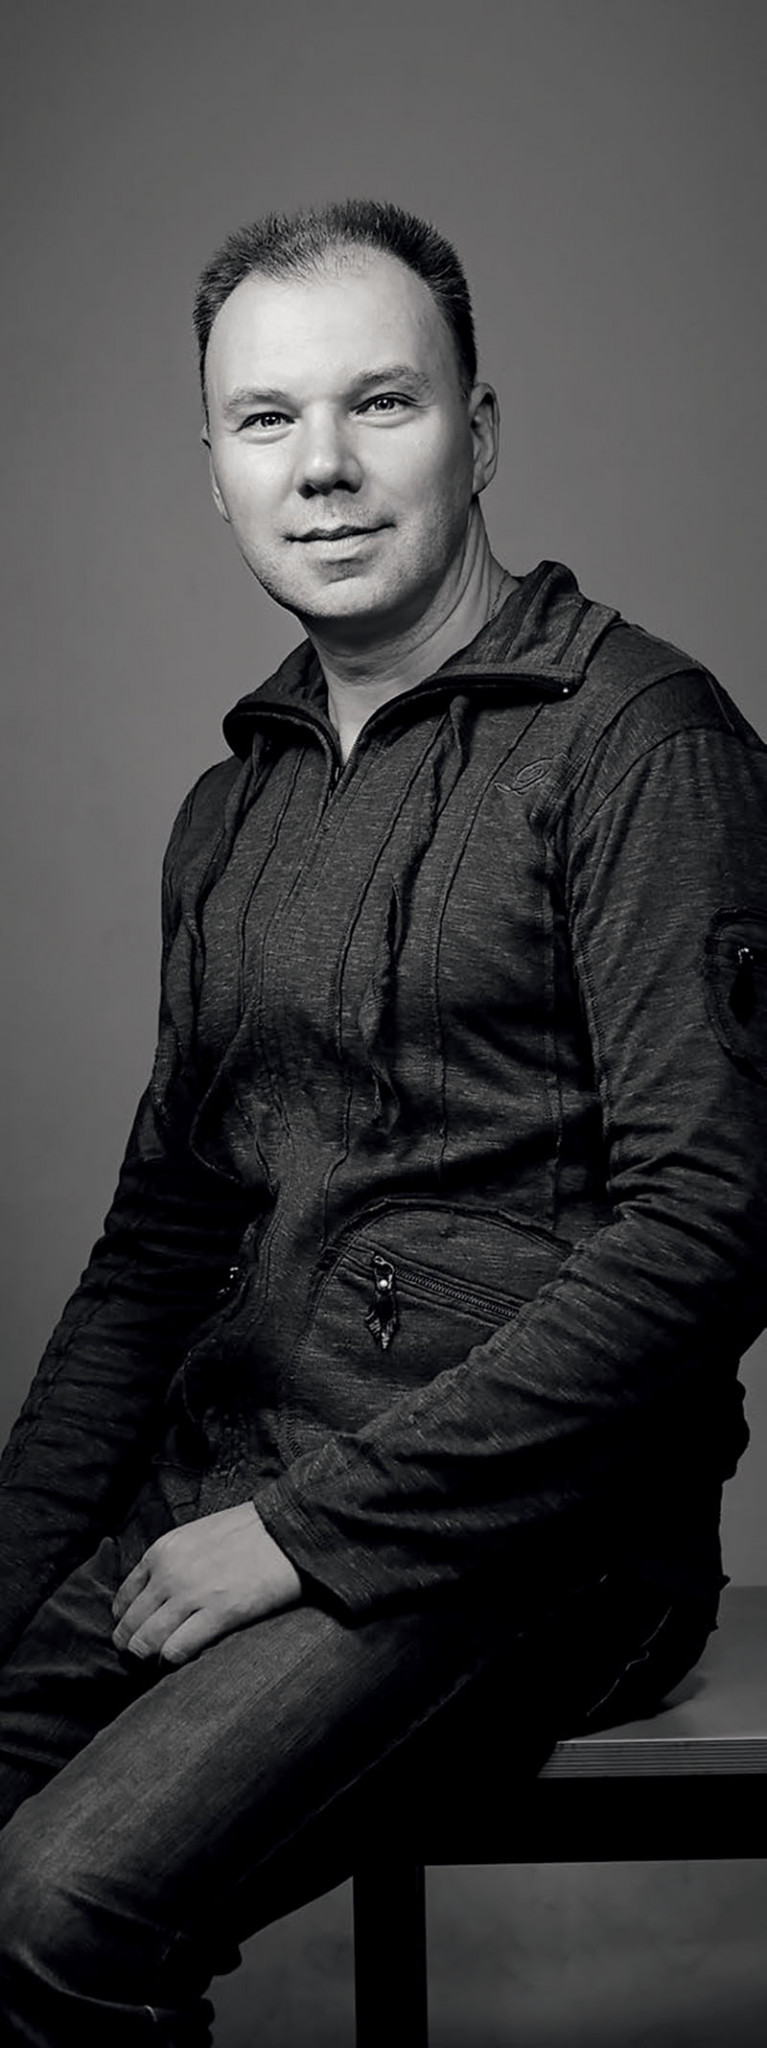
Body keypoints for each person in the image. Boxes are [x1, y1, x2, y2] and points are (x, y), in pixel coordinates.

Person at [0, 196, 766, 2043]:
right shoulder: (236, 806)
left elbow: (717, 1219)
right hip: (233, 1490)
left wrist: (309, 1532)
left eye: (382, 404)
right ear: (215, 472)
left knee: (58, 1905)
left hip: (538, 1548)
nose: (323, 466)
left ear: (476, 434)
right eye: (267, 419)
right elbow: (159, 1247)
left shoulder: (642, 743)